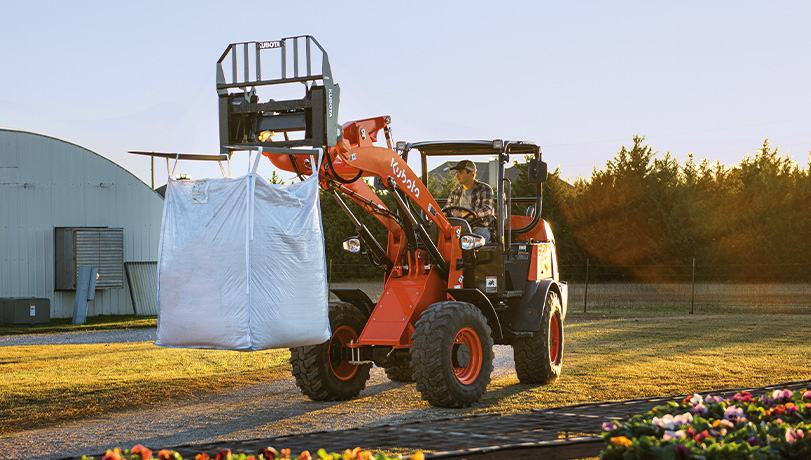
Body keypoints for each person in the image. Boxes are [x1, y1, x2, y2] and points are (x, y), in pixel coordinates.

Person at [446, 160, 495, 242]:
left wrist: (463, 215)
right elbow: (447, 210)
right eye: (457, 172)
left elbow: (487, 210)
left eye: (461, 172)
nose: (457, 175)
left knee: (473, 242)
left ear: (471, 174)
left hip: (480, 228)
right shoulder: (455, 192)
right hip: (458, 229)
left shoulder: (484, 189)